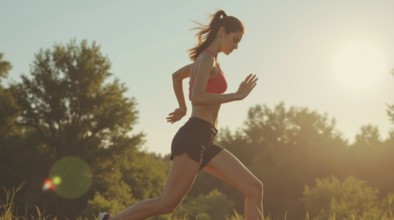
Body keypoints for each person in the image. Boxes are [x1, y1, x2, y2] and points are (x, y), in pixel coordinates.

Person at [98, 10, 264, 220]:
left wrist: (182, 107)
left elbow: (176, 77)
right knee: (167, 203)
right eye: (235, 40)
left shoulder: (208, 61)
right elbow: (198, 96)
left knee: (254, 188)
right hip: (193, 137)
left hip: (206, 140)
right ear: (222, 32)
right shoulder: (206, 61)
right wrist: (236, 96)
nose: (236, 46)